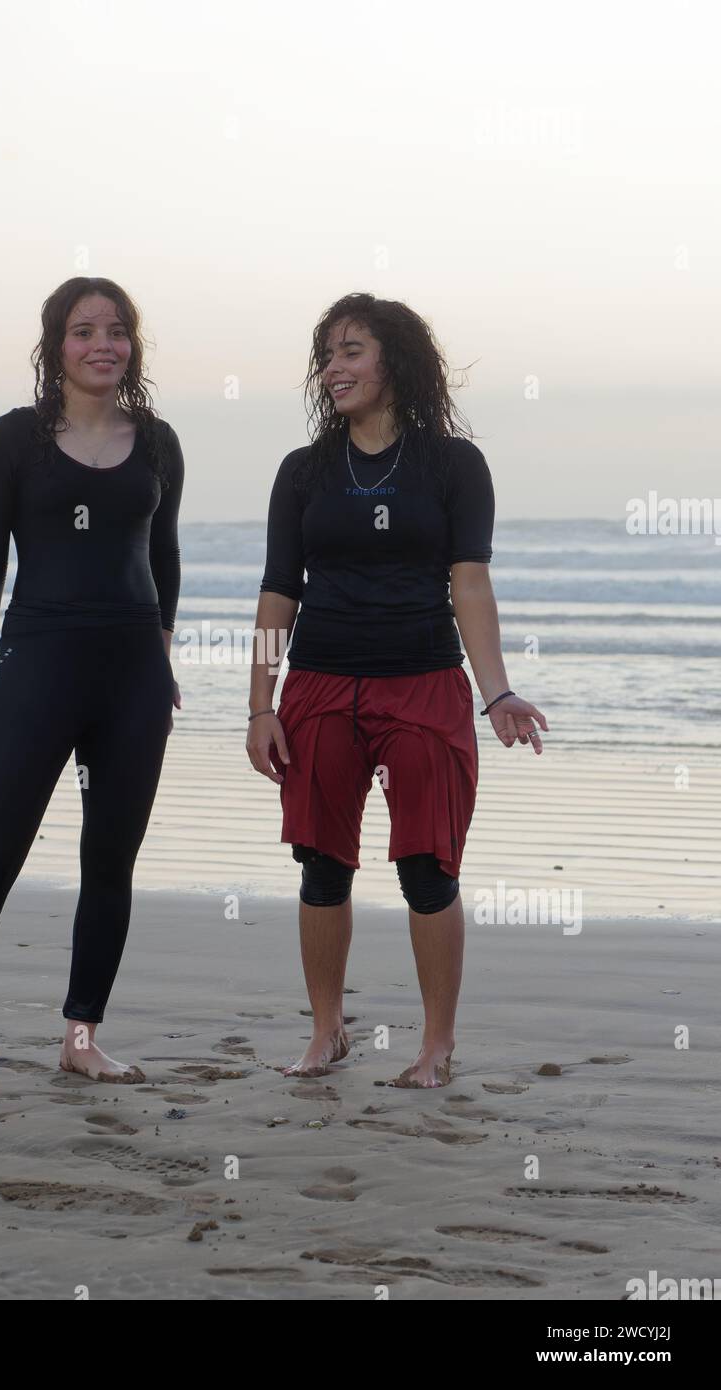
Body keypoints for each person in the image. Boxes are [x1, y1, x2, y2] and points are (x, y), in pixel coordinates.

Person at [247, 292, 547, 1087]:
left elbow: (469, 584)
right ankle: (326, 1033)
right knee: (320, 865)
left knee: (427, 867)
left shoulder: (451, 465)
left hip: (421, 686)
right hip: (318, 688)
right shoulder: (304, 471)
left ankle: (434, 1045)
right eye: (327, 354)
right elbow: (279, 592)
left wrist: (497, 693)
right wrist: (259, 705)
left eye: (351, 351)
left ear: (395, 363)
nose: (333, 368)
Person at [0, 277, 183, 1085]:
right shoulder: (13, 440)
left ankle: (80, 1039)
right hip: (35, 667)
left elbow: (163, 560)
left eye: (118, 330)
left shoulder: (157, 441)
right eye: (83, 330)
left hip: (131, 676)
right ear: (54, 345)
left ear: (132, 345)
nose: (103, 344)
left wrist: (161, 660)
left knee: (110, 861)